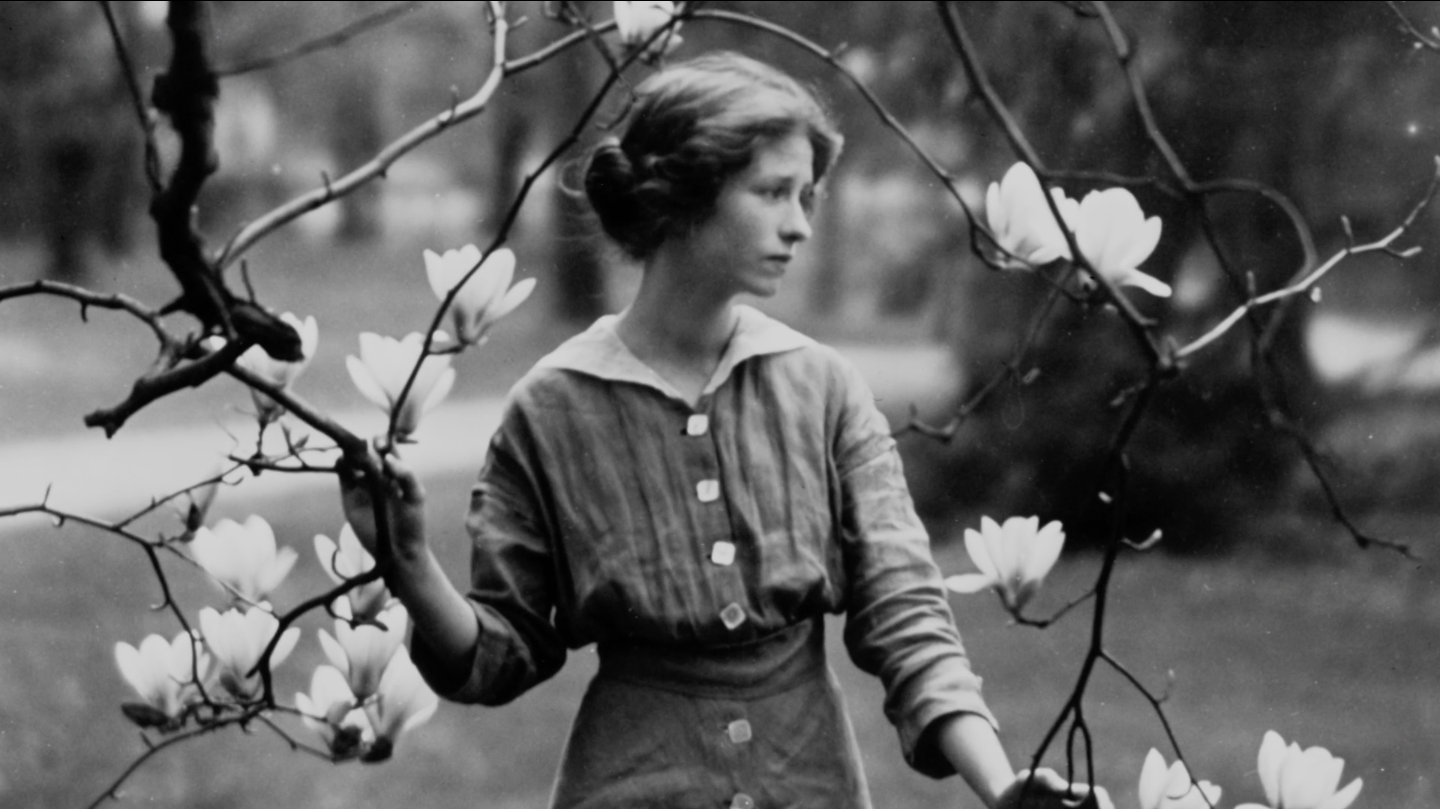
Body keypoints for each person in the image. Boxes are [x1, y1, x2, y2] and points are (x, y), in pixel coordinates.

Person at [341, 52, 1108, 809]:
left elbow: (908, 618)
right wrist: (407, 563)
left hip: (810, 784)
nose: (801, 226)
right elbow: (502, 649)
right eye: (774, 192)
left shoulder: (824, 389)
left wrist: (1002, 786)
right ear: (683, 195)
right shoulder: (552, 408)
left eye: (807, 195)